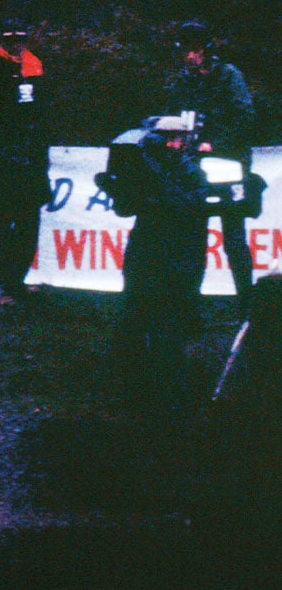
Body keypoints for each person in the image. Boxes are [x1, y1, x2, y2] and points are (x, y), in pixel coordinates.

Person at [116, 116, 214, 407]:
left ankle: (170, 392)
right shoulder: (143, 167)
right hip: (146, 251)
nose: (173, 144)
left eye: (178, 138)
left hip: (178, 256)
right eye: (167, 138)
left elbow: (190, 205)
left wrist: (155, 191)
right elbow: (124, 207)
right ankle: (133, 386)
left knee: (169, 327)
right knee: (134, 317)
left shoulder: (191, 171)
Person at [164, 20, 258, 308]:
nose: (189, 57)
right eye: (185, 52)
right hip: (195, 167)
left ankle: (247, 302)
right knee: (192, 237)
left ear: (205, 50)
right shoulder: (183, 81)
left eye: (193, 51)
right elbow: (173, 115)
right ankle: (190, 304)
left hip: (228, 163)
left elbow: (245, 116)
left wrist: (215, 143)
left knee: (233, 236)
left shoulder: (228, 76)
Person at [0, 19, 51, 302]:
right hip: (1, 158)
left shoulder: (37, 65)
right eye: (11, 42)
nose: (16, 47)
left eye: (21, 41)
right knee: (1, 222)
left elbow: (45, 109)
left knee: (29, 221)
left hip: (32, 157)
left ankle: (18, 279)